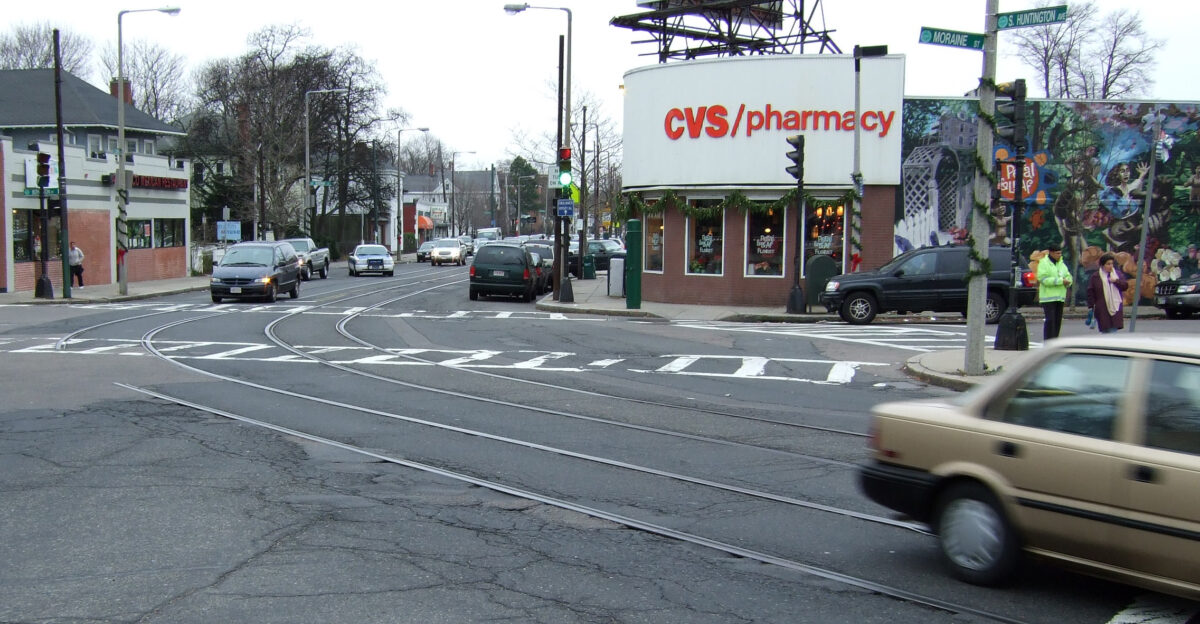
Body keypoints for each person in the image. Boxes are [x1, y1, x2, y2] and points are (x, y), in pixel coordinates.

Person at [1037, 242, 1072, 340]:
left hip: (1060, 297)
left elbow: (1068, 275)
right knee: (1050, 321)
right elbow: (1043, 279)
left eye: (1060, 253)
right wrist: (1060, 281)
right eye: (1057, 253)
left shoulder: (1061, 263)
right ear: (1051, 253)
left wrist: (1068, 281)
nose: (1059, 255)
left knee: (1057, 321)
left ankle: (1055, 340)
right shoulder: (1044, 263)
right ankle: (1048, 341)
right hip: (1048, 298)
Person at [1086, 253, 1128, 333]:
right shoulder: (1096, 276)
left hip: (1115, 307)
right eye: (1108, 264)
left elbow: (1125, 286)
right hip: (1102, 308)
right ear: (1102, 265)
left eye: (1112, 263)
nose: (1111, 266)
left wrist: (1116, 281)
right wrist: (1091, 307)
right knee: (1105, 331)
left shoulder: (1117, 274)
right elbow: (1091, 292)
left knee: (1113, 331)